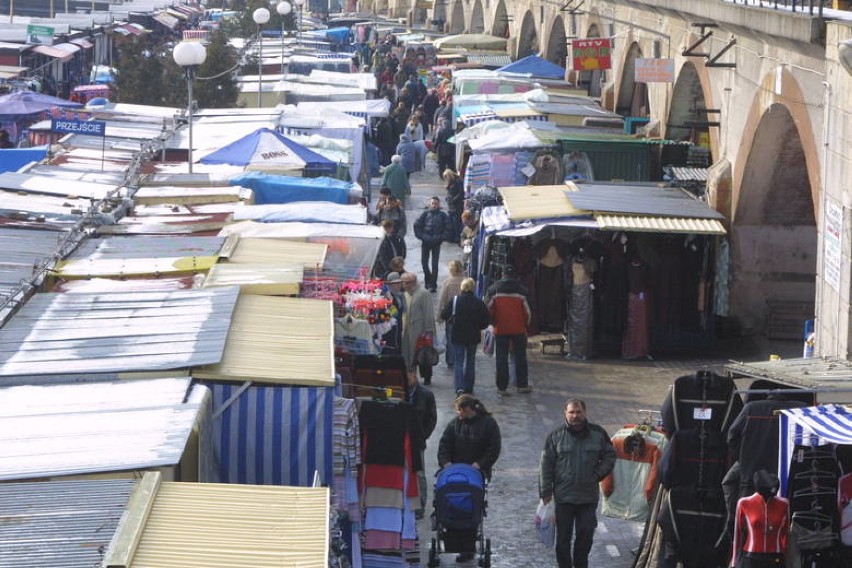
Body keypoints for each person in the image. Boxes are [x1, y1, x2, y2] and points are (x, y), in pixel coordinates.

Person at [539, 399, 616, 568]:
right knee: (562, 540)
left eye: (578, 412)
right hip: (564, 497)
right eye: (571, 412)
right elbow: (546, 465)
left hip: (587, 497)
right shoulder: (555, 436)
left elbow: (610, 455)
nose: (575, 416)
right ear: (565, 414)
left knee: (586, 534)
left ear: (585, 412)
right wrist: (545, 492)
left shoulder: (598, 434)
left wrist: (597, 475)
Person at [437, 394, 502, 563]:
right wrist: (445, 463)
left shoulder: (488, 424)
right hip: (455, 474)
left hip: (476, 474)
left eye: (461, 411)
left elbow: (494, 448)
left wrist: (480, 464)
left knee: (472, 506)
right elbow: (444, 444)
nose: (459, 414)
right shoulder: (455, 424)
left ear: (468, 409)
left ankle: (468, 546)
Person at [484, 265, 532, 394]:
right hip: (518, 329)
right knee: (521, 357)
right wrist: (525, 325)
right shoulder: (522, 290)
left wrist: (492, 324)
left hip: (500, 329)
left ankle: (502, 387)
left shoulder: (493, 290)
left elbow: (487, 310)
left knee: (501, 358)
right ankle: (522, 385)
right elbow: (528, 312)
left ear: (502, 274)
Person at [441, 277, 490, 395]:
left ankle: (459, 387)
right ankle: (469, 387)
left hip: (458, 334)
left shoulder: (455, 300)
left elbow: (444, 315)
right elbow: (485, 321)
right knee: (470, 362)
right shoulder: (478, 302)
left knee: (458, 362)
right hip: (473, 336)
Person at [406, 369, 437, 518]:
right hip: (402, 439)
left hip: (417, 440)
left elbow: (432, 419)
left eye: (409, 375)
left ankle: (420, 506)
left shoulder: (426, 394)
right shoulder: (400, 392)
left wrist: (423, 436)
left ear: (414, 375)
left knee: (419, 474)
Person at [400, 272, 437, 385]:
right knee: (409, 354)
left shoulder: (423, 294)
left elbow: (428, 313)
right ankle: (410, 375)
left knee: (423, 354)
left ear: (412, 283)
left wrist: (428, 331)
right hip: (407, 330)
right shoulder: (405, 294)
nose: (403, 286)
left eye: (405, 283)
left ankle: (426, 377)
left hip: (420, 331)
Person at [413, 196, 452, 293]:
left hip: (436, 242)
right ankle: (428, 280)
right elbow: (417, 225)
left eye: (436, 204)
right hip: (425, 241)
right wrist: (422, 236)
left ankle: (433, 284)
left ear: (439, 205)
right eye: (432, 203)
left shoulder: (443, 215)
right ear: (430, 204)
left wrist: (441, 238)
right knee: (424, 263)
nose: (434, 205)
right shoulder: (425, 214)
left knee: (434, 264)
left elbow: (448, 228)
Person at [437, 259, 465, 368]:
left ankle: (451, 359)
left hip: (451, 316)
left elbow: (442, 300)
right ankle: (460, 357)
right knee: (462, 338)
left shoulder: (448, 283)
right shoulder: (466, 281)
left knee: (450, 338)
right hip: (464, 315)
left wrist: (439, 316)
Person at [443, 169, 464, 244]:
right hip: (451, 206)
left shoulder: (459, 181)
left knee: (456, 223)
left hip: (456, 207)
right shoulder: (451, 182)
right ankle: (451, 237)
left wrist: (454, 200)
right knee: (451, 223)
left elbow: (461, 193)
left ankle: (457, 238)